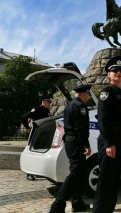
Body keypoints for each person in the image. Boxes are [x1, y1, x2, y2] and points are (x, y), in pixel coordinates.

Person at [93, 56, 121, 213]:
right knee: (105, 182)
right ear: (108, 75)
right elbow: (103, 119)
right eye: (115, 70)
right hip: (109, 143)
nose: (119, 72)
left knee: (115, 181)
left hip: (119, 142)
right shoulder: (107, 93)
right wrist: (109, 143)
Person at [49, 84, 92, 213]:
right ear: (84, 94)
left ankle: (77, 202)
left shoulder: (70, 105)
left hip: (70, 142)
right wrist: (86, 145)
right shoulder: (80, 107)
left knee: (79, 173)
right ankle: (57, 205)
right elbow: (80, 128)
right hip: (76, 143)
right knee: (75, 174)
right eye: (88, 94)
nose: (89, 97)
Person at [21, 97, 52, 180]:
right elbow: (24, 117)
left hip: (43, 133)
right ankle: (29, 173)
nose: (49, 104)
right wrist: (27, 127)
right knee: (31, 151)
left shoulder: (46, 110)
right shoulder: (37, 109)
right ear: (43, 102)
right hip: (36, 132)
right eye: (48, 102)